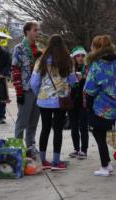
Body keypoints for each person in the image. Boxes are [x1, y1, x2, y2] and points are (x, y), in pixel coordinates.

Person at [30, 34, 77, 171]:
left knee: (45, 129)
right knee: (58, 130)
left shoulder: (41, 60)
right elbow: (73, 81)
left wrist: (38, 94)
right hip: (61, 101)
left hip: (44, 101)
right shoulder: (68, 61)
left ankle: (43, 160)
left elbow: (34, 82)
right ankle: (56, 162)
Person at [84, 35, 116, 177]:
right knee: (101, 135)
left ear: (96, 47)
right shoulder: (115, 63)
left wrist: (88, 105)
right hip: (112, 105)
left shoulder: (97, 65)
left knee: (98, 135)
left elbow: (90, 88)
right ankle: (108, 163)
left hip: (99, 107)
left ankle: (104, 166)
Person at [11, 21, 41, 148]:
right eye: (35, 30)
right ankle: (18, 148)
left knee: (33, 122)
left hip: (38, 91)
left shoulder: (39, 49)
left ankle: (30, 147)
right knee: (22, 121)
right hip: (25, 90)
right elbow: (15, 70)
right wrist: (19, 92)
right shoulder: (19, 48)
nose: (38, 32)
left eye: (38, 30)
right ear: (27, 31)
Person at [68, 46, 89, 159]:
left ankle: (84, 150)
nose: (80, 58)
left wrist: (83, 79)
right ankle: (76, 149)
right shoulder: (70, 68)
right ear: (74, 57)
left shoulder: (87, 68)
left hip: (83, 100)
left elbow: (91, 82)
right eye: (78, 56)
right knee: (74, 125)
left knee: (83, 126)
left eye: (82, 55)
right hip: (72, 100)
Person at [0, 46, 11, 124]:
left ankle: (2, 116)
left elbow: (8, 65)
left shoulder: (5, 53)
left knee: (2, 98)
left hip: (1, 78)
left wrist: (3, 73)